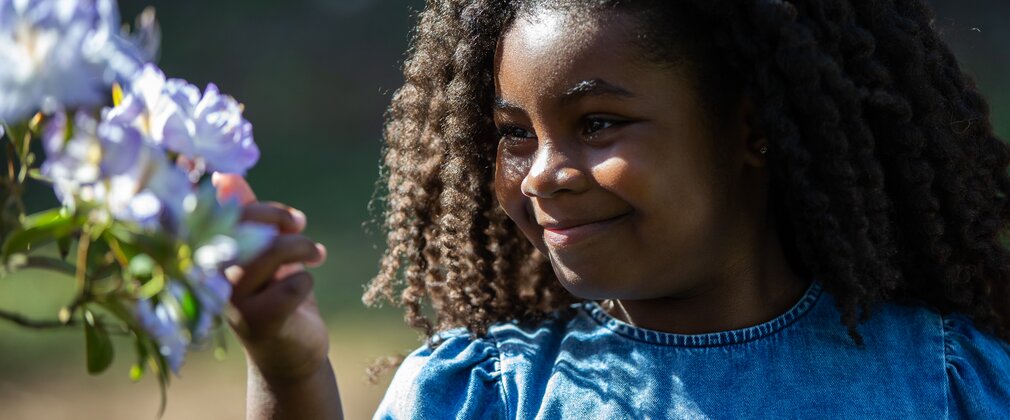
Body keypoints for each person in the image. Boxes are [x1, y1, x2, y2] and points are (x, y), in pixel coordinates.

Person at [216, 0, 1010, 418]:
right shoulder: (489, 395)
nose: (542, 176)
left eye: (597, 124)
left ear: (753, 128)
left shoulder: (947, 382)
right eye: (514, 135)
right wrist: (288, 369)